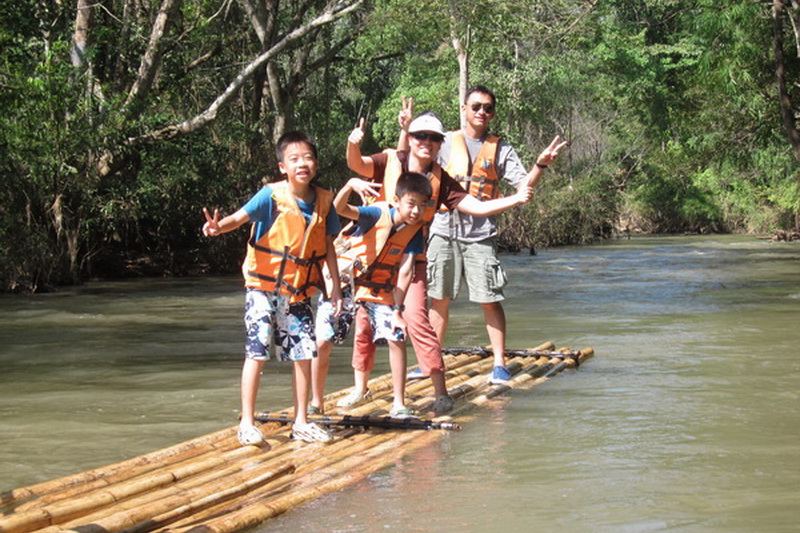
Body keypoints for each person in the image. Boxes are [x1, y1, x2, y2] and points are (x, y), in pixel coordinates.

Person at [346, 111, 531, 411]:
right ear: (410, 138)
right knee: (364, 324)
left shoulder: (440, 180)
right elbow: (357, 164)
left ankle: (440, 391)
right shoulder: (390, 160)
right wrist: (353, 144)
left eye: (434, 138)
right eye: (421, 136)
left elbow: (475, 206)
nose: (427, 142)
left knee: (418, 320)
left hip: (411, 258)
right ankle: (360, 389)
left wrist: (515, 199)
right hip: (374, 259)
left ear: (439, 144)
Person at [398, 87, 567, 384]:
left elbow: (523, 186)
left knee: (489, 298)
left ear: (493, 113)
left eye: (488, 108)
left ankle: (499, 363)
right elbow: (408, 163)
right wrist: (406, 129)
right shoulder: (442, 141)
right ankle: (430, 362)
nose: (481, 112)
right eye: (476, 106)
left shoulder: (500, 149)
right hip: (442, 230)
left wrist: (540, 165)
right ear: (464, 108)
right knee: (439, 298)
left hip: (481, 233)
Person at [202, 131, 343, 445]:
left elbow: (329, 247)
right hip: (262, 289)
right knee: (257, 351)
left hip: (298, 291)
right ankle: (248, 423)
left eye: (307, 157)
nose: (302, 164)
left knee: (304, 352)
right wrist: (217, 227)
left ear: (316, 164)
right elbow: (238, 218)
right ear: (283, 167)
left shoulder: (324, 201)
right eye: (294, 159)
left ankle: (302, 421)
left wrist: (334, 287)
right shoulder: (270, 195)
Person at [333, 172, 432, 417]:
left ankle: (399, 402)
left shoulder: (414, 230)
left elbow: (407, 269)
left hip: (384, 288)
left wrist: (399, 310)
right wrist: (349, 185)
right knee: (361, 335)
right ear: (397, 201)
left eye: (422, 206)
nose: (416, 211)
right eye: (411, 204)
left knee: (397, 336)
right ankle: (360, 389)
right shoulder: (375, 214)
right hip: (354, 284)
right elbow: (339, 208)